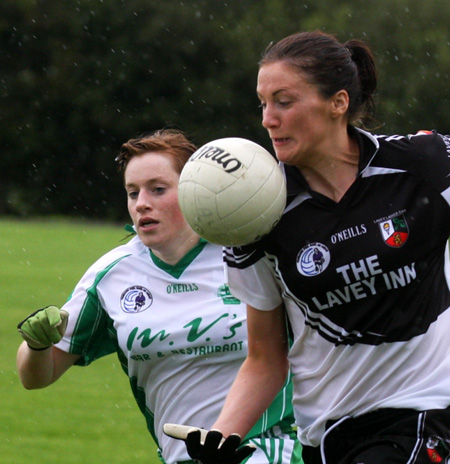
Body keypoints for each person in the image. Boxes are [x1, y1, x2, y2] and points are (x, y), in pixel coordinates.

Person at [166, 31, 450, 464]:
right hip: (326, 435)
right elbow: (265, 359)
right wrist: (222, 437)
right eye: (262, 103)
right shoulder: (257, 213)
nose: (267, 119)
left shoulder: (423, 165)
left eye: (283, 101)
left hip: (423, 411)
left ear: (337, 103)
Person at [16, 129, 303, 464]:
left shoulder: (248, 256)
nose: (142, 204)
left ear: (196, 190)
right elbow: (37, 376)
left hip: (268, 452)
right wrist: (36, 345)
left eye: (158, 189)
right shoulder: (112, 275)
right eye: (132, 192)